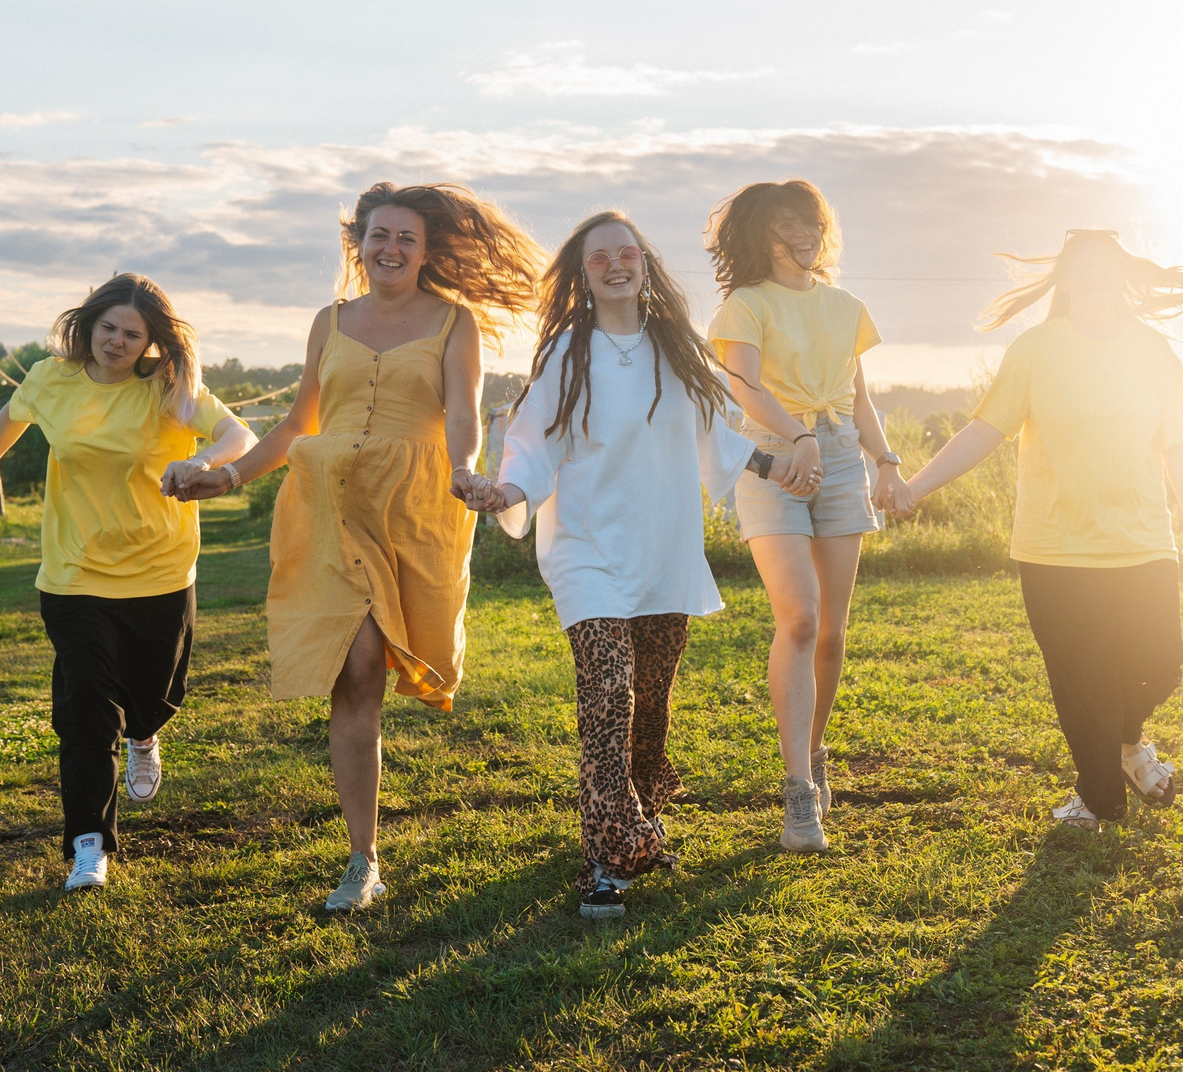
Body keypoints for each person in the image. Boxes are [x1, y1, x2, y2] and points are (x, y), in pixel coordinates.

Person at [173, 182, 541, 914]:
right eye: (379, 235)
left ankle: (363, 855)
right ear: (359, 242)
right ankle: (362, 858)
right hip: (331, 502)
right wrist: (227, 476)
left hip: (413, 503)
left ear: (427, 249)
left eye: (406, 237)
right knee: (358, 664)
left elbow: (462, 412)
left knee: (391, 657)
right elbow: (293, 425)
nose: (391, 248)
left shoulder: (452, 321)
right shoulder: (330, 320)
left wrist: (469, 469)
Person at [468, 211, 758, 919]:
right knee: (609, 692)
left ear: (645, 263)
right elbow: (535, 444)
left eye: (628, 252)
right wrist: (504, 491)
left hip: (662, 552)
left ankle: (637, 814)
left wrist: (781, 463)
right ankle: (606, 855)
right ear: (583, 272)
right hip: (587, 552)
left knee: (650, 704)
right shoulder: (569, 351)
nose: (617, 264)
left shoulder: (676, 348)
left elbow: (717, 430)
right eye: (601, 257)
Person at [890, 230, 1183, 831]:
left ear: (1123, 278)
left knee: (1161, 660)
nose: (1097, 276)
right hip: (1055, 547)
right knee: (1082, 680)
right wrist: (916, 487)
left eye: (1108, 267)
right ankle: (1097, 800)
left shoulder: (1152, 351)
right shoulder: (1036, 350)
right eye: (1085, 267)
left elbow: (1179, 447)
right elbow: (984, 432)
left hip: (1143, 541)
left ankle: (1128, 746)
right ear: (1067, 279)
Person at [0, 274, 257, 892]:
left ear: (150, 341)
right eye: (108, 327)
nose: (116, 341)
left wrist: (202, 461)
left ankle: (145, 734)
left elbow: (236, 435)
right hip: (73, 571)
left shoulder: (169, 387)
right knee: (85, 707)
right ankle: (90, 843)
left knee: (154, 692)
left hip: (160, 568)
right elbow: (11, 416)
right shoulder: (51, 377)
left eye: (131, 333)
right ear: (89, 325)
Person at [703, 180, 910, 855]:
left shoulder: (845, 306)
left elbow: (857, 393)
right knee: (800, 616)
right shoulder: (745, 304)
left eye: (810, 222)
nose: (802, 234)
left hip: (843, 459)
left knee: (832, 632)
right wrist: (799, 437)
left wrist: (885, 460)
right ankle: (797, 791)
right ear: (758, 234)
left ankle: (815, 749)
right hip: (777, 461)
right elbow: (745, 387)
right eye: (785, 223)